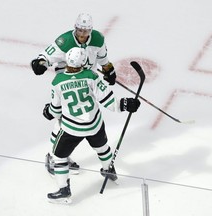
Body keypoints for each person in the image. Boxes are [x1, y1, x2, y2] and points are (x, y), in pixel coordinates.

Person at [43, 47, 140, 204]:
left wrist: (48, 111)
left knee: (59, 156)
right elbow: (108, 101)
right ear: (83, 62)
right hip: (94, 125)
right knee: (102, 148)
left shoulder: (57, 82)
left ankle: (64, 191)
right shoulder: (91, 76)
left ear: (67, 60)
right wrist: (126, 104)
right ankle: (109, 170)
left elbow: (55, 110)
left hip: (72, 129)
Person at [31, 13, 117, 175]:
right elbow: (46, 56)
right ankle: (54, 156)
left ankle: (60, 156)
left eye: (86, 31)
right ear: (75, 28)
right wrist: (40, 63)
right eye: (79, 30)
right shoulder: (65, 41)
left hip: (86, 82)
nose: (82, 34)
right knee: (64, 119)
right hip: (67, 81)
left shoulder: (98, 39)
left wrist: (108, 70)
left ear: (91, 30)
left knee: (81, 116)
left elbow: (102, 58)